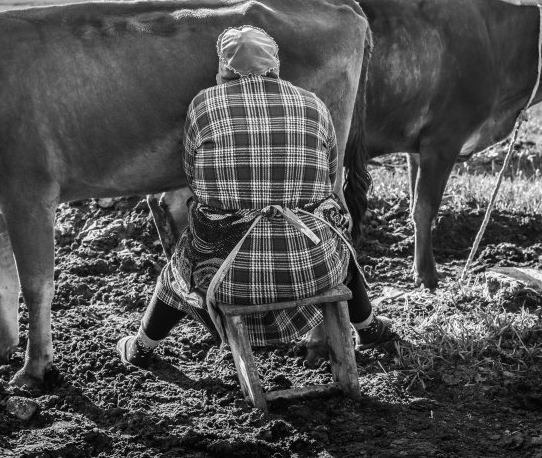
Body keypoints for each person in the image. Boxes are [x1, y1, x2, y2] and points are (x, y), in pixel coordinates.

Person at [117, 25, 395, 368]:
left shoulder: (204, 105)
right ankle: (367, 328)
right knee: (339, 246)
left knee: (178, 271)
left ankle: (141, 347)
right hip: (314, 268)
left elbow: (194, 177)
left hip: (228, 277)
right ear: (274, 64)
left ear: (225, 67)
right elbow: (328, 177)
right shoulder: (313, 105)